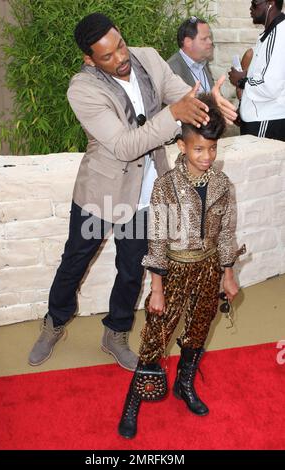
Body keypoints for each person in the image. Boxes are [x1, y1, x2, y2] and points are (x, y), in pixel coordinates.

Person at [28, 13, 237, 372]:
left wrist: (207, 101)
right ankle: (55, 321)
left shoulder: (149, 59)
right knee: (75, 260)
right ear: (90, 59)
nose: (120, 58)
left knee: (131, 268)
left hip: (146, 193)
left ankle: (116, 331)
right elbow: (125, 145)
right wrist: (173, 113)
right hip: (100, 192)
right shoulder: (82, 89)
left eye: (120, 45)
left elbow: (182, 97)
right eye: (107, 56)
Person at [118, 93, 240, 439]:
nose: (207, 156)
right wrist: (156, 289)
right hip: (173, 270)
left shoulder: (222, 184)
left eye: (213, 148)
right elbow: (156, 239)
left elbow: (226, 232)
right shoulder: (165, 186)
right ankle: (133, 401)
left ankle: (184, 385)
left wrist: (227, 273)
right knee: (156, 338)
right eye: (199, 149)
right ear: (182, 146)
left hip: (208, 269)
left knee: (198, 331)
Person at [228, 0, 285, 141]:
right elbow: (266, 75)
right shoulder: (270, 34)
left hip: (266, 120)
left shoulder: (278, 35)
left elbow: (270, 86)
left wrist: (241, 80)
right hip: (261, 119)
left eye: (254, 4)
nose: (250, 8)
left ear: (270, 3)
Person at [167, 16, 214, 93]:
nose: (210, 42)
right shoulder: (171, 70)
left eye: (210, 37)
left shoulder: (203, 63)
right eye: (204, 39)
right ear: (188, 42)